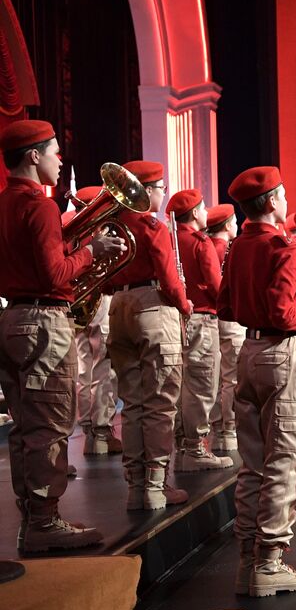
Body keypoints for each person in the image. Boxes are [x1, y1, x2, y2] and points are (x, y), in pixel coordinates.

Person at [0, 120, 125, 550]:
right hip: (42, 320)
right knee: (51, 426)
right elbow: (55, 273)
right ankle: (45, 522)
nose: (60, 160)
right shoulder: (40, 205)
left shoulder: (3, 203)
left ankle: (31, 518)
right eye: (54, 152)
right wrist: (93, 252)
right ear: (34, 157)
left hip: (12, 318)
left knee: (25, 428)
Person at [218, 166, 296, 596]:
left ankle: (249, 559)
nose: (287, 203)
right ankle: (271, 562)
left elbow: (226, 306)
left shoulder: (239, 246)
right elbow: (286, 314)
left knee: (253, 462)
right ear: (271, 202)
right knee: (284, 457)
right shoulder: (282, 247)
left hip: (248, 351)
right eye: (283, 196)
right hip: (280, 352)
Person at [103, 160, 191, 511]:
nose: (162, 194)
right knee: (160, 403)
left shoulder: (113, 225)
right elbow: (169, 279)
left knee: (134, 403)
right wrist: (184, 304)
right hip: (152, 306)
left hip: (119, 305)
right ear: (147, 191)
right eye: (160, 189)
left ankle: (135, 486)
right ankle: (156, 486)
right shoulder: (152, 226)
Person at [168, 189, 232, 472]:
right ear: (194, 213)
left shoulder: (171, 240)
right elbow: (216, 286)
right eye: (203, 208)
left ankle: (183, 444)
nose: (207, 213)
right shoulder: (200, 242)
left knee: (182, 385)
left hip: (176, 317)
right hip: (203, 318)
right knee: (203, 384)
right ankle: (195, 448)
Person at [68, 185, 120, 457]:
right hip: (98, 301)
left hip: (79, 304)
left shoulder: (70, 227)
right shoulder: (97, 231)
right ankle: (101, 432)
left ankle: (90, 431)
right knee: (103, 368)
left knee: (83, 368)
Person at [205, 202, 244, 454]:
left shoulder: (208, 246)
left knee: (218, 378)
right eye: (235, 223)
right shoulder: (229, 251)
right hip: (229, 319)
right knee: (232, 378)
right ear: (228, 225)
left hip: (213, 319)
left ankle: (220, 429)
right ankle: (229, 430)